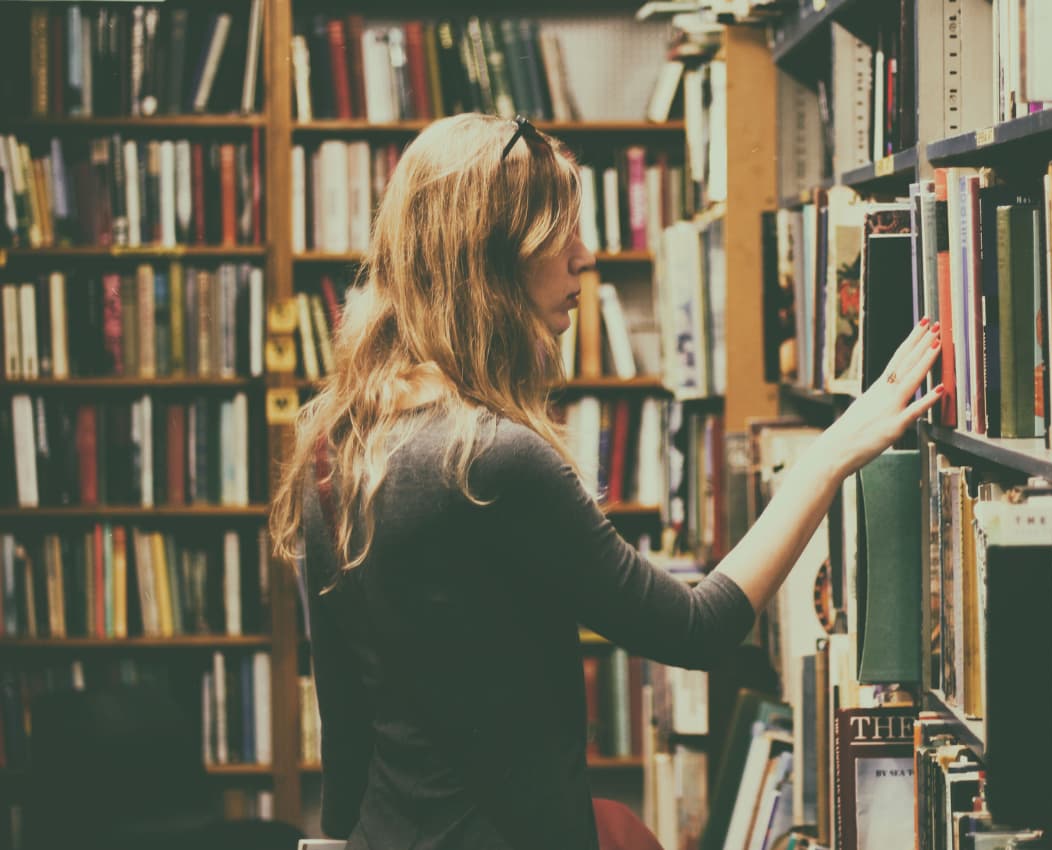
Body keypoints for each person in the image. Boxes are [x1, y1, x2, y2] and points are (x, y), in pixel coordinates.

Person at [269, 112, 945, 850]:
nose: (583, 259)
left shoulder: (337, 454)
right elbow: (698, 629)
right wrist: (833, 452)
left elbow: (345, 717)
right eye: (561, 235)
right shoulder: (493, 461)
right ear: (493, 258)